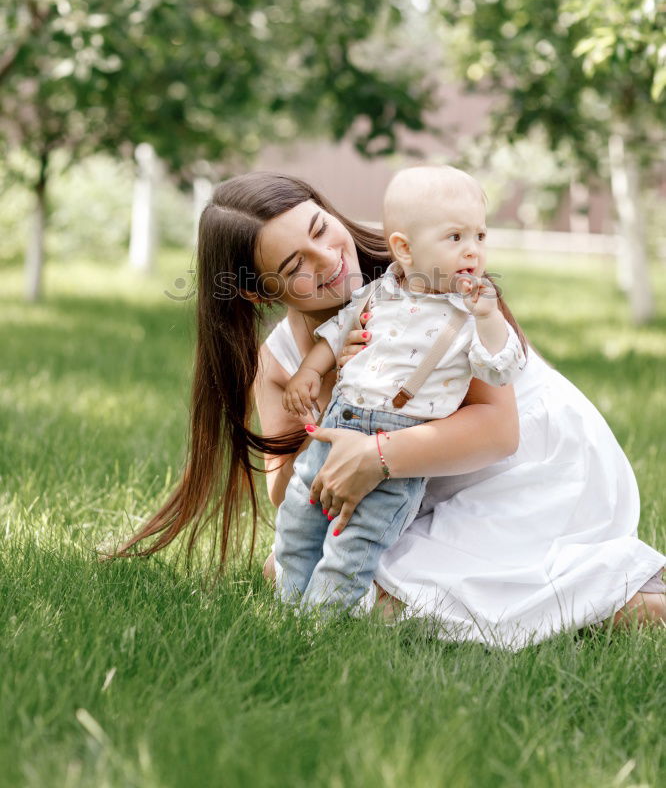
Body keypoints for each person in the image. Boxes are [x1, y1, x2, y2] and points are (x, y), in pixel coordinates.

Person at [114, 170, 665, 647]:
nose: (329, 258)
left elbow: (498, 430)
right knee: (284, 569)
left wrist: (377, 454)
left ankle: (624, 599)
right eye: (295, 263)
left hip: (528, 465)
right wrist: (334, 387)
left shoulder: (431, 276)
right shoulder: (281, 362)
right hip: (425, 476)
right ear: (260, 292)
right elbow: (290, 494)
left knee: (380, 598)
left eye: (320, 228)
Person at [275, 166, 527, 615]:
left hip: (401, 440)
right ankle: (287, 607)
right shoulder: (377, 293)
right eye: (455, 238)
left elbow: (501, 368)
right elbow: (335, 334)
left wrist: (488, 318)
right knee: (298, 519)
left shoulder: (469, 312)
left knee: (355, 540)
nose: (472, 250)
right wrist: (308, 373)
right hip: (338, 424)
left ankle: (320, 622)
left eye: (480, 236)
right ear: (404, 249)